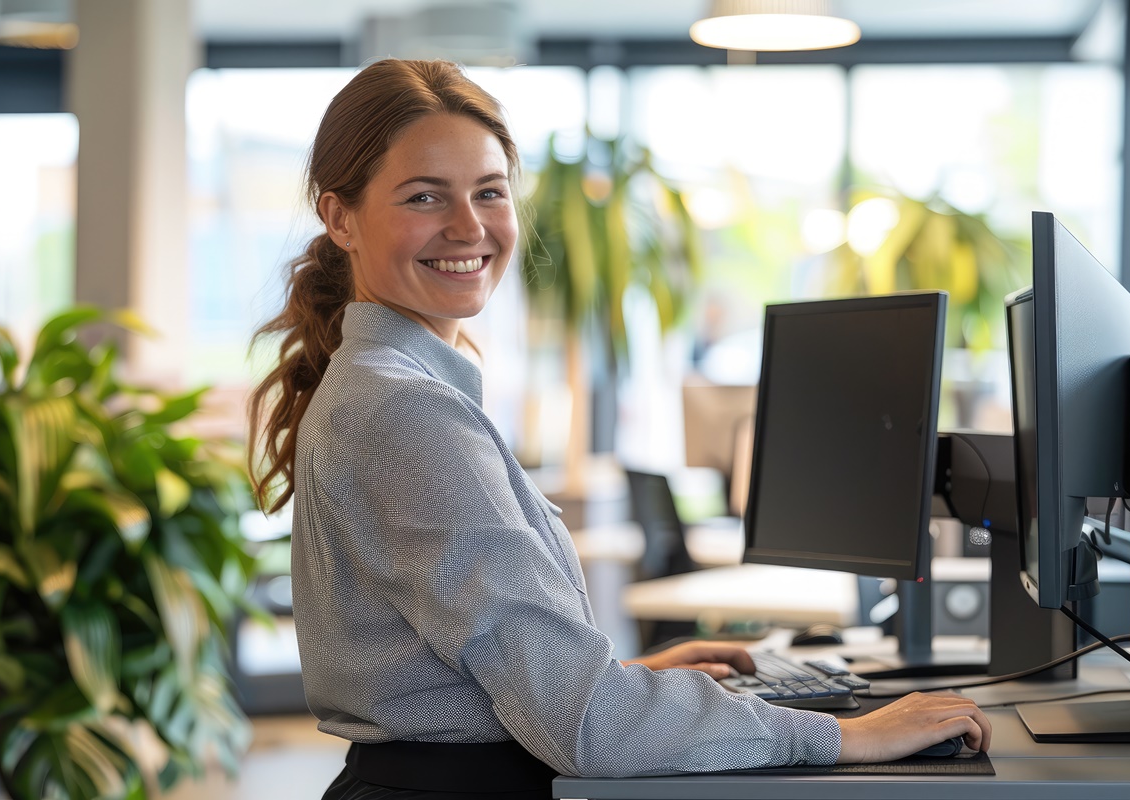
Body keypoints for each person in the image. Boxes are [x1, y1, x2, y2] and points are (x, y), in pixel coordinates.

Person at [247, 58, 992, 800]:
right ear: (340, 216)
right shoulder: (405, 411)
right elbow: (588, 730)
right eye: (423, 196)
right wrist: (846, 735)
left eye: (489, 192)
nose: (469, 226)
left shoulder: (388, 389)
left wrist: (626, 682)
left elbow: (468, 687)